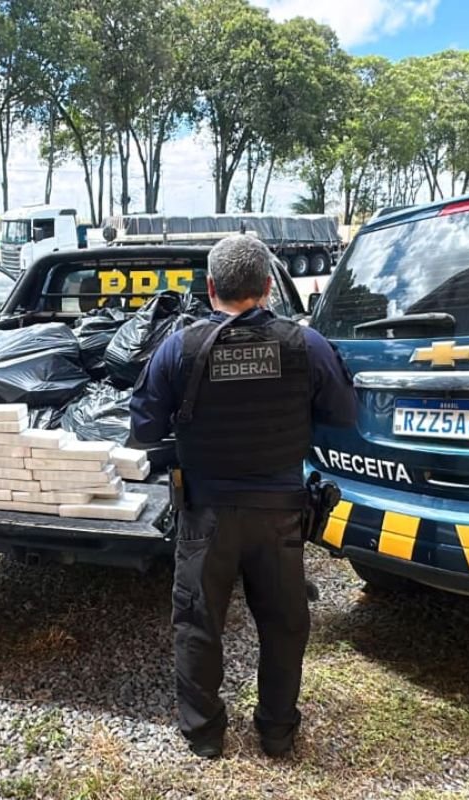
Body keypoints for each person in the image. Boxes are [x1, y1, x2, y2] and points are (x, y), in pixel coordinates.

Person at [130, 235, 356, 759]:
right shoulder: (307, 345)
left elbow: (143, 430)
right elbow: (344, 415)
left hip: (205, 514)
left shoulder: (179, 347)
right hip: (280, 517)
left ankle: (204, 736)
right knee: (284, 625)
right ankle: (277, 733)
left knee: (198, 624)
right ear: (268, 286)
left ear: (210, 287)